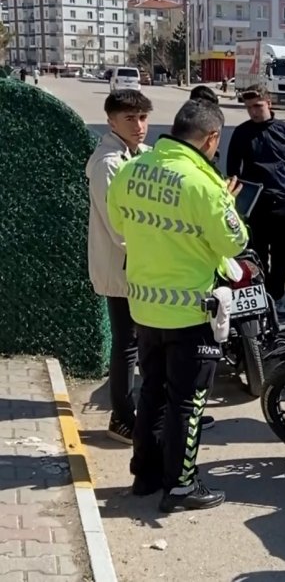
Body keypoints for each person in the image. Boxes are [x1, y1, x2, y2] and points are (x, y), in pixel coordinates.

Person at [107, 99, 249, 512]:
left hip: (144, 307)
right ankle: (182, 486)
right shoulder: (204, 185)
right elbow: (235, 242)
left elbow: (119, 223)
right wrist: (227, 203)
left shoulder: (132, 170)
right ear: (211, 139)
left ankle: (145, 474)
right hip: (190, 312)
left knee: (152, 391)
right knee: (188, 402)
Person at [86, 90, 153, 444]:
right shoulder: (108, 164)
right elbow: (120, 228)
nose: (138, 126)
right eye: (129, 118)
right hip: (124, 268)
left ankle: (150, 413)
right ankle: (122, 419)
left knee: (146, 342)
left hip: (144, 266)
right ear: (111, 121)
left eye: (142, 118)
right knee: (126, 343)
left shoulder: (140, 154)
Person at [226, 84, 285, 319]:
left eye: (257, 106)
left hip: (283, 205)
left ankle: (276, 298)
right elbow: (233, 171)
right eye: (249, 107)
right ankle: (260, 300)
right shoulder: (241, 133)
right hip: (254, 208)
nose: (253, 111)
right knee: (256, 256)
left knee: (282, 256)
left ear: (269, 103)